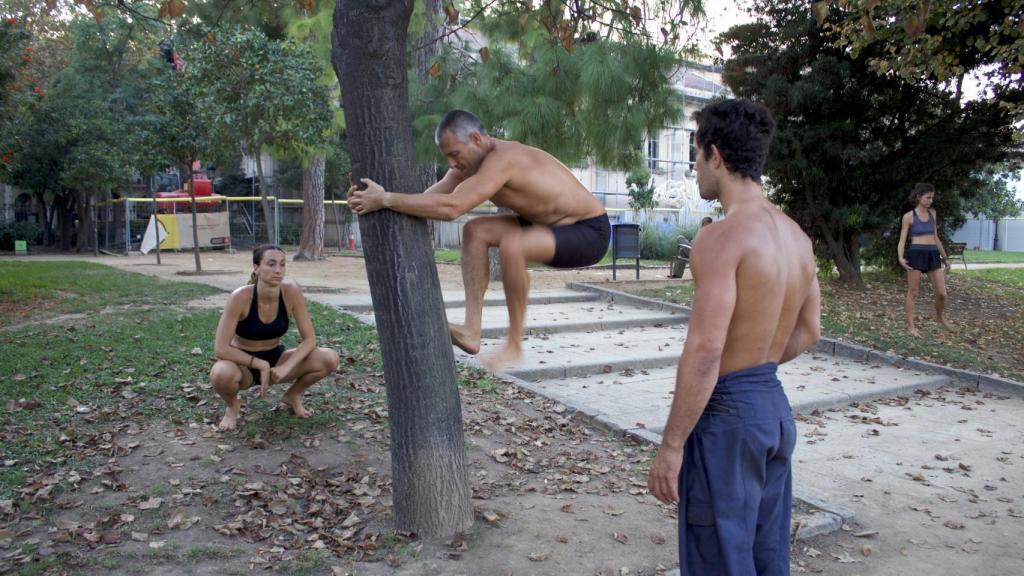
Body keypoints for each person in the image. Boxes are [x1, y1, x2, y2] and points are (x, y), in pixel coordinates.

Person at [646, 99, 821, 576]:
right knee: (766, 558)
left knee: (719, 558)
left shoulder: (721, 237)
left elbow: (706, 349)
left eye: (695, 156)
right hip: (773, 410)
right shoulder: (797, 237)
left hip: (728, 416)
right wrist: (757, 370)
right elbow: (810, 330)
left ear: (715, 156)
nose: (695, 169)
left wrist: (672, 445)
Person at [347, 109, 610, 371]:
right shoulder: (466, 166)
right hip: (542, 224)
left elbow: (452, 208)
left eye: (454, 154)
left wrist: (386, 199)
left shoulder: (504, 158)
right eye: (447, 156)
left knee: (513, 245)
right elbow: (427, 200)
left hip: (587, 230)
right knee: (475, 231)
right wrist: (374, 198)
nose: (452, 164)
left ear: (475, 139)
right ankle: (471, 331)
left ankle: (514, 343)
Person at [209, 245, 340, 431]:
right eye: (271, 264)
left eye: (282, 265)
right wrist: (260, 364)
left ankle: (292, 395)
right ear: (256, 268)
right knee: (220, 373)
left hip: (277, 359)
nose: (278, 270)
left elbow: (310, 339)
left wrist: (286, 367)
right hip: (243, 364)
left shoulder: (291, 292)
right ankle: (232, 406)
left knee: (329, 358)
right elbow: (221, 348)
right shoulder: (240, 297)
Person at [897, 183, 952, 336]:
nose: (930, 200)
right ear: (918, 197)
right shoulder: (909, 217)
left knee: (942, 293)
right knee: (913, 292)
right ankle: (911, 326)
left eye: (932, 198)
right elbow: (902, 240)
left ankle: (940, 317)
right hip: (916, 254)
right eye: (928, 197)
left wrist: (945, 258)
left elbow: (936, 237)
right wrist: (901, 257)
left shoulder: (933, 214)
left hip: (932, 254)